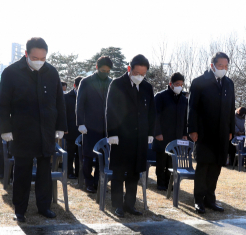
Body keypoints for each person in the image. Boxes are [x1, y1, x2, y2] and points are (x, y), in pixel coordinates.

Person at [0, 37, 67, 222]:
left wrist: (60, 126)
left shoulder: (52, 72)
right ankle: (20, 209)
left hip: (46, 130)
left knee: (45, 171)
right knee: (22, 172)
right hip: (22, 130)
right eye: (35, 57)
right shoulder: (11, 72)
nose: (39, 61)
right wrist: (5, 128)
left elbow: (60, 101)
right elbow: (3, 104)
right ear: (26, 54)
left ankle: (44, 207)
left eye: (43, 58)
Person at [105, 54, 155, 218]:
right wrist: (112, 133)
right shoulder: (117, 84)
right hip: (121, 137)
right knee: (119, 173)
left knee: (134, 173)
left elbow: (151, 113)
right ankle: (117, 205)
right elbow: (110, 110)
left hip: (140, 137)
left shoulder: (147, 88)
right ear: (129, 69)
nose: (140, 76)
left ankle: (130, 204)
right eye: (137, 73)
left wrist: (150, 133)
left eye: (143, 74)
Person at [188, 51, 235, 214]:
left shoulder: (229, 83)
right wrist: (192, 129)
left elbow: (231, 109)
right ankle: (198, 200)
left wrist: (231, 130)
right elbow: (192, 108)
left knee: (216, 166)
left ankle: (210, 199)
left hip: (222, 133)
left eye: (226, 66)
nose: (223, 69)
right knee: (203, 166)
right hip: (204, 132)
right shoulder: (199, 82)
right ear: (212, 65)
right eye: (220, 65)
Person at [76, 56, 113, 193]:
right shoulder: (86, 82)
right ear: (97, 67)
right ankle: (88, 181)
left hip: (106, 127)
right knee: (88, 156)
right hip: (89, 126)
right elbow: (79, 104)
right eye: (103, 70)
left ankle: (98, 181)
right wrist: (80, 123)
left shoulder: (111, 82)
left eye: (108, 71)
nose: (105, 73)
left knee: (102, 157)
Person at [153, 72, 188, 191]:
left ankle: (169, 182)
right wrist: (157, 132)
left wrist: (184, 134)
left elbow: (184, 118)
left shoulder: (183, 99)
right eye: (177, 84)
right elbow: (155, 116)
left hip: (176, 136)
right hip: (162, 135)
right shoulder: (160, 96)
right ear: (170, 84)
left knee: (172, 161)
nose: (180, 86)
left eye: (181, 84)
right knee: (161, 160)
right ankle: (160, 182)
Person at [64, 76, 83, 179]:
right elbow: (63, 114)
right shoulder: (67, 97)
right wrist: (64, 128)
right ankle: (69, 172)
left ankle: (79, 172)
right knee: (70, 152)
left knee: (80, 154)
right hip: (70, 130)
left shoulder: (86, 96)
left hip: (82, 130)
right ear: (75, 86)